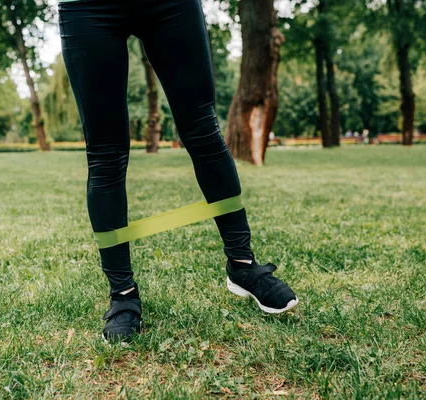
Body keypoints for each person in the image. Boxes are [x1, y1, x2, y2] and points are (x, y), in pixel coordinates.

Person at [58, 0, 298, 343]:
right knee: (105, 152)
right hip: (88, 7)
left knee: (203, 131)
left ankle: (243, 266)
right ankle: (122, 294)